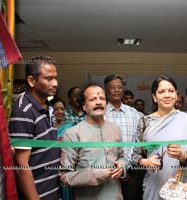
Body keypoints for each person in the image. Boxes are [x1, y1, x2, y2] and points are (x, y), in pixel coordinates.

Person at [132, 75, 187, 200]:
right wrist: (145, 162)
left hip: (182, 188)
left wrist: (182, 155)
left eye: (171, 91)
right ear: (154, 97)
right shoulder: (145, 122)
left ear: (176, 94)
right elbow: (135, 155)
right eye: (161, 92)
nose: (167, 95)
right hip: (154, 185)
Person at [60, 83, 128, 200]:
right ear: (84, 106)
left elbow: (122, 157)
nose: (98, 102)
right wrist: (94, 175)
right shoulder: (73, 133)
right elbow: (65, 176)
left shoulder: (115, 129)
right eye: (92, 99)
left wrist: (122, 167)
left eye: (102, 98)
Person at [8, 55, 60, 199]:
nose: (55, 83)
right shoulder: (23, 110)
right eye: (49, 79)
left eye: (55, 78)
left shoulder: (48, 105)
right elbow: (20, 165)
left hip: (52, 190)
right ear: (31, 81)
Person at [103, 74, 144, 200]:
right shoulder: (100, 113)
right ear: (106, 90)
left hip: (131, 172)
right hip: (105, 171)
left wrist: (125, 167)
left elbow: (137, 143)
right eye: (112, 87)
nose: (116, 90)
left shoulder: (135, 114)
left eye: (119, 87)